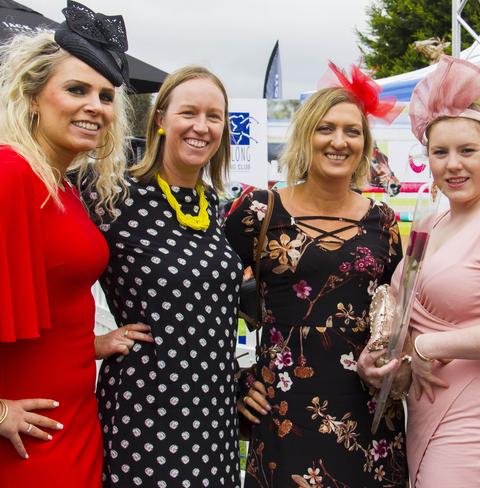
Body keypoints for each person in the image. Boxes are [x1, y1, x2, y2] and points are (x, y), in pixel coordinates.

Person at [359, 55, 480, 487]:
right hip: (423, 411)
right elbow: (395, 298)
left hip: (476, 415)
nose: (453, 164)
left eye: (468, 151)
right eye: (440, 153)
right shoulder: (430, 222)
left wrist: (426, 345)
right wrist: (386, 352)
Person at [225, 64, 408, 487]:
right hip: (283, 411)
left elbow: (398, 315)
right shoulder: (258, 211)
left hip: (368, 418)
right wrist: (234, 380)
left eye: (352, 131)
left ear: (365, 144)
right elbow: (207, 301)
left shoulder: (383, 220)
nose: (339, 141)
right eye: (326, 128)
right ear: (306, 135)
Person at [84, 65, 244, 487]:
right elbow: (51, 266)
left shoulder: (221, 210)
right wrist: (90, 344)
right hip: (145, 411)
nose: (201, 127)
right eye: (188, 112)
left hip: (214, 415)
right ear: (160, 120)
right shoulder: (109, 195)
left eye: (214, 116)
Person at [0, 1, 132, 486]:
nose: (95, 106)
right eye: (77, 89)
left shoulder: (62, 185)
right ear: (33, 98)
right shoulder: (9, 174)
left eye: (104, 95)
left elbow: (49, 302)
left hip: (76, 419)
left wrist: (93, 344)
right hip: (24, 440)